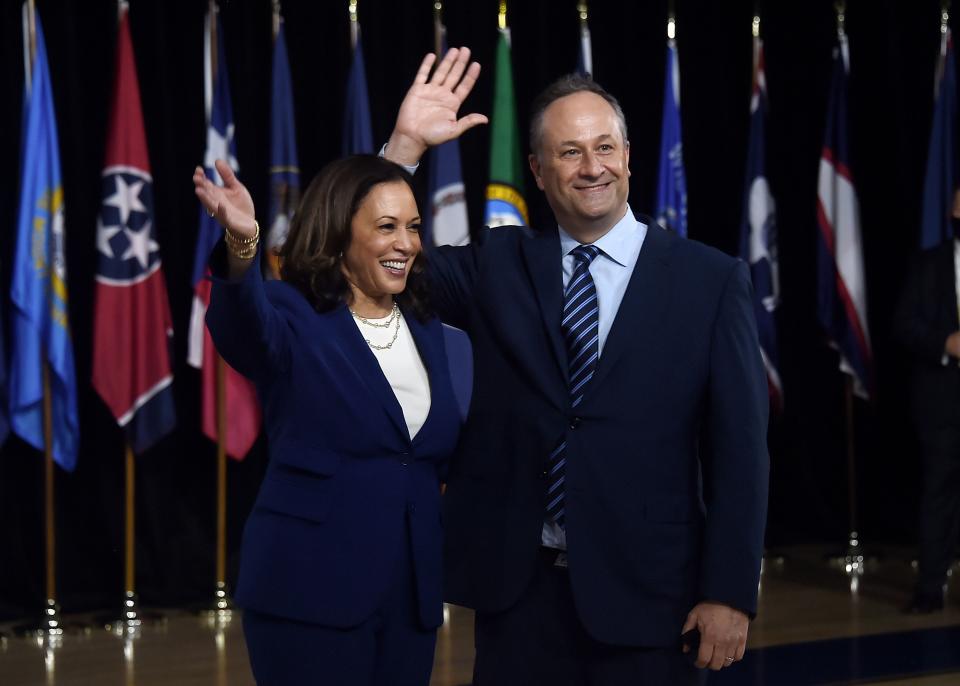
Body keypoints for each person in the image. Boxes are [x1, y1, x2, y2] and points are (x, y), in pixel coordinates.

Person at [383, 51, 770, 684]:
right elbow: (371, 255)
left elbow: (740, 452)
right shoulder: (496, 265)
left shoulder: (710, 280)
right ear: (536, 170)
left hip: (653, 599)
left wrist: (729, 591)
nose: (591, 168)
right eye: (568, 153)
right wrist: (402, 148)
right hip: (518, 598)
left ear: (628, 155)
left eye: (604, 147)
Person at [193, 154, 464, 685]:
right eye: (386, 227)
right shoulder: (294, 314)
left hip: (410, 601)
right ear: (340, 232)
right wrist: (243, 242)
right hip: (308, 593)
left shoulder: (430, 327)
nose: (405, 243)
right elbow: (243, 326)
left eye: (412, 227)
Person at [893, 189, 960, 614]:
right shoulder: (929, 262)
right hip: (943, 398)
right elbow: (904, 324)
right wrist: (946, 342)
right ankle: (931, 584)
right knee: (940, 489)